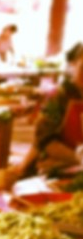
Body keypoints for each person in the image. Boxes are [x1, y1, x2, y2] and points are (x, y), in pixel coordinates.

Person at [17, 42, 83, 176]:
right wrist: (78, 158)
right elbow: (45, 141)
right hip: (56, 169)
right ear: (73, 65)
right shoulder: (60, 97)